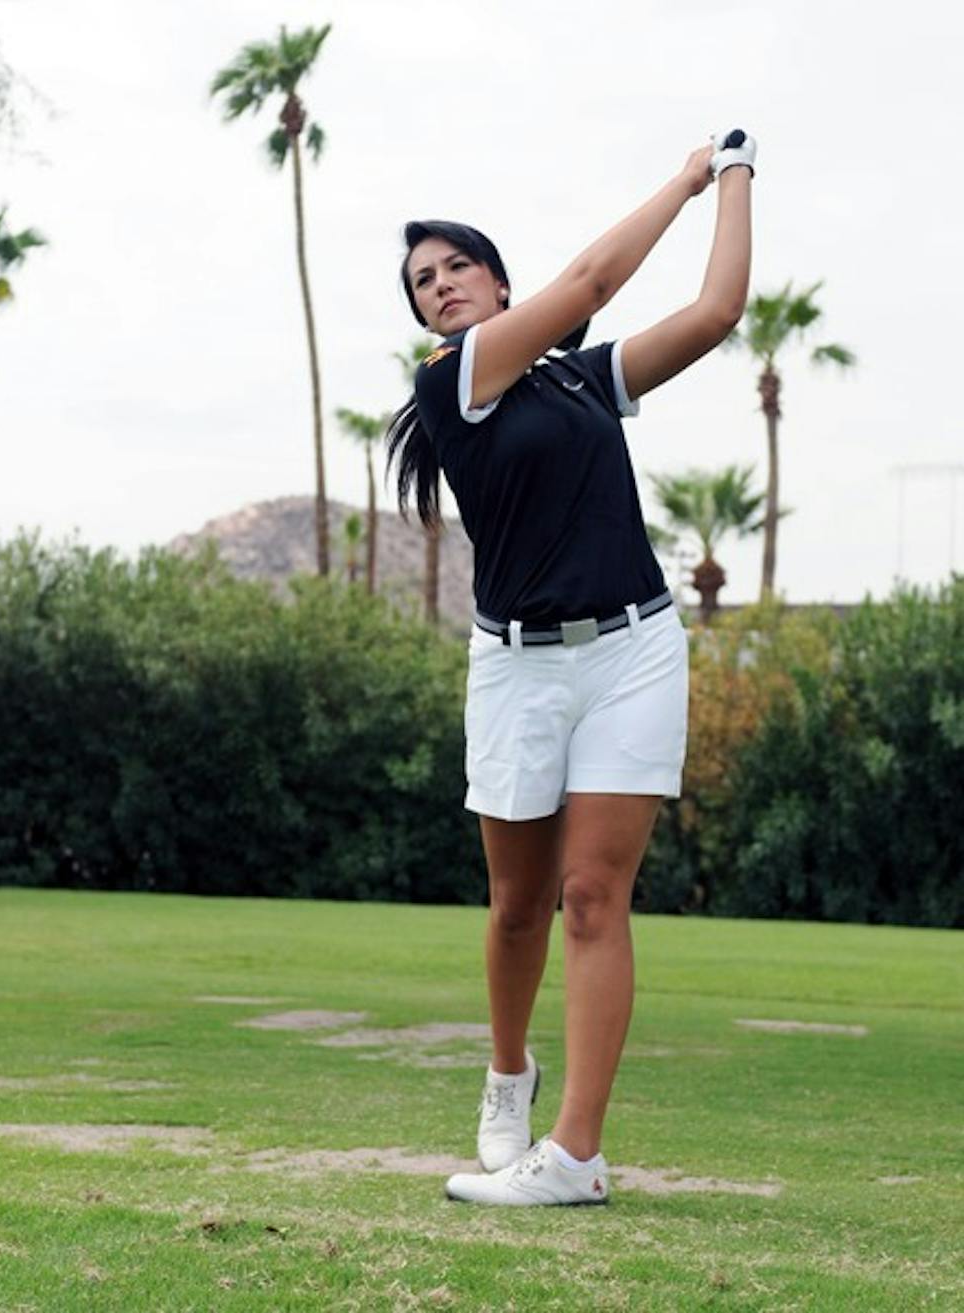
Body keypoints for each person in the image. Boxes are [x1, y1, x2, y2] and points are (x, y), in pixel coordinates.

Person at [386, 130, 755, 1205]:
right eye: (422, 280)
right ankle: (508, 1077)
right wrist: (683, 177)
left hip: (634, 649)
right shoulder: (454, 382)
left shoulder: (585, 382)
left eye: (457, 265)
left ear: (497, 280)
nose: (442, 285)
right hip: (516, 669)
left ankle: (575, 1157)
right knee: (518, 902)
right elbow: (593, 278)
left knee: (592, 895)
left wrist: (735, 174)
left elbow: (717, 311)